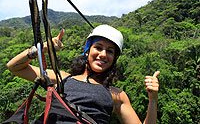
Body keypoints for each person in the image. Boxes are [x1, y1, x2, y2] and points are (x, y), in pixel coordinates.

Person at [6, 24, 160, 124]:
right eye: (98, 47)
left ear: (114, 59)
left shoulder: (116, 94)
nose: (103, 54)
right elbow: (14, 67)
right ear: (87, 51)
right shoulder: (62, 78)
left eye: (110, 51)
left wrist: (153, 100)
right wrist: (41, 49)